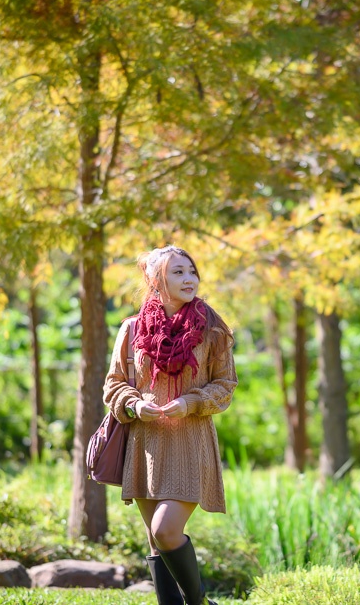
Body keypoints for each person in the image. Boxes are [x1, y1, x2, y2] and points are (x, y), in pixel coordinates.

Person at [102, 244, 237, 605]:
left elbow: (225, 386)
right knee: (155, 540)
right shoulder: (131, 329)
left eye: (191, 271)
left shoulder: (213, 329)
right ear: (154, 279)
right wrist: (134, 404)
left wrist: (191, 402)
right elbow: (114, 384)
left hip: (191, 441)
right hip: (145, 445)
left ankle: (200, 602)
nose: (188, 278)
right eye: (178, 272)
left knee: (166, 530)